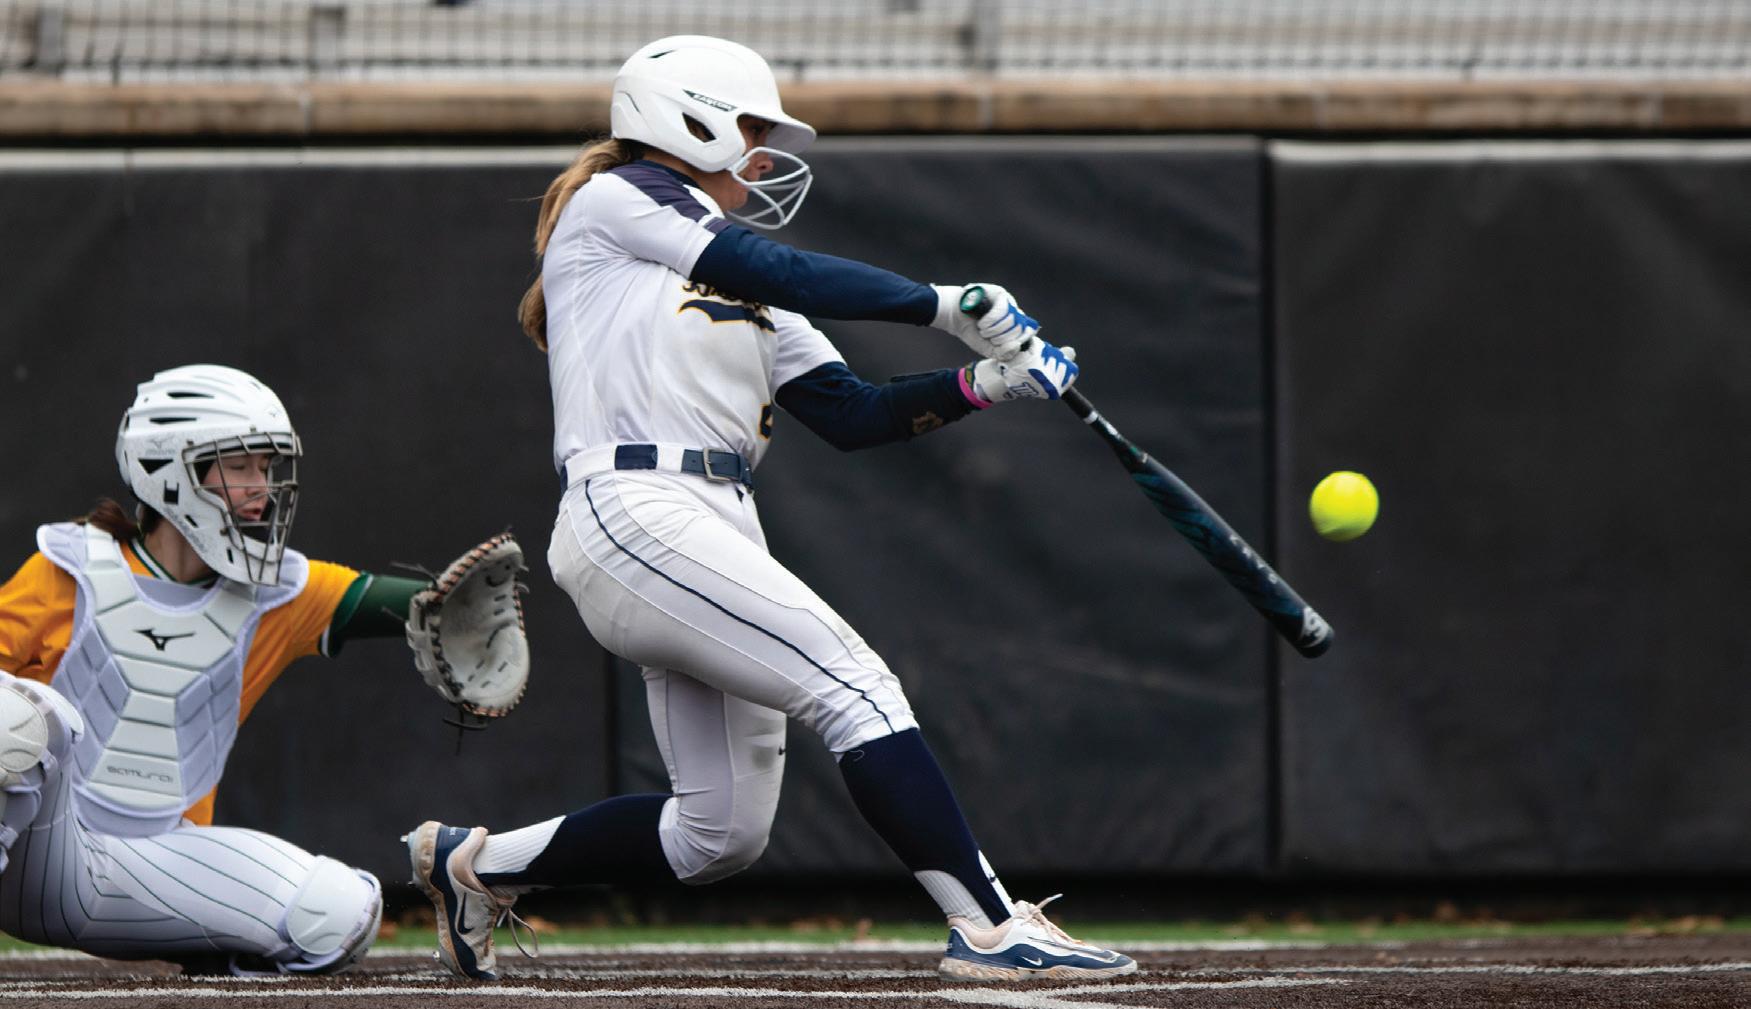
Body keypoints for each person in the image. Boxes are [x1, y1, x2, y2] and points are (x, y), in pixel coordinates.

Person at [404, 34, 1133, 984]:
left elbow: (851, 414)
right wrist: (945, 303)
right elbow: (774, 267)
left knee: (716, 835)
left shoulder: (750, 285)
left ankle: (473, 865)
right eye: (748, 127)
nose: (759, 151)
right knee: (855, 684)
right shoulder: (617, 200)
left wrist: (986, 383)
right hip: (635, 505)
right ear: (686, 120)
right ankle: (990, 926)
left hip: (712, 518)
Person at [0, 363, 526, 976]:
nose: (263, 487)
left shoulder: (277, 591)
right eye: (241, 466)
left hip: (153, 864)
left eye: (267, 467)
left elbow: (424, 606)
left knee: (341, 915)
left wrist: (458, 614)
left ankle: (212, 955)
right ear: (167, 468)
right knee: (24, 717)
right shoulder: (70, 567)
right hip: (34, 855)